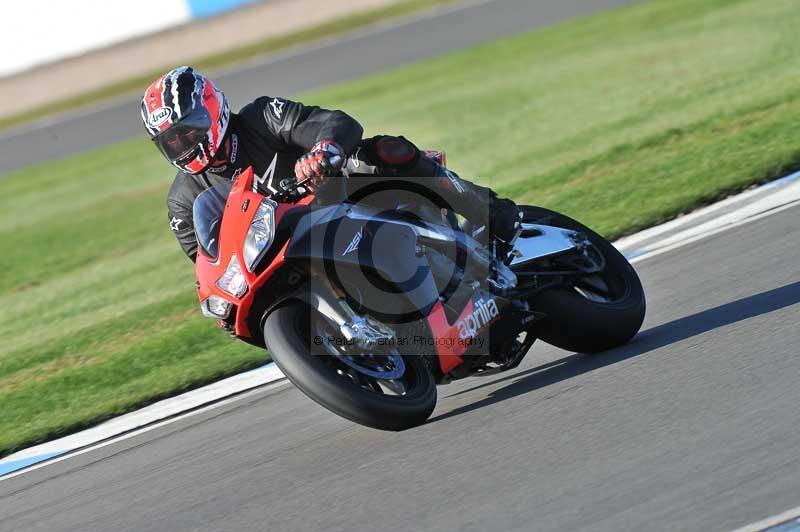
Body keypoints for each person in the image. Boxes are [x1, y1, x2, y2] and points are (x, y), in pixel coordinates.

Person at [141, 66, 520, 262]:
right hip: (295, 249)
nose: (183, 144)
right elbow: (208, 262)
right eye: (171, 140)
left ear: (210, 111)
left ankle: (489, 209)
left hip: (344, 199)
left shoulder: (261, 117)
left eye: (188, 131)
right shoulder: (183, 200)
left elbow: (337, 123)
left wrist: (323, 150)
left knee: (383, 153)